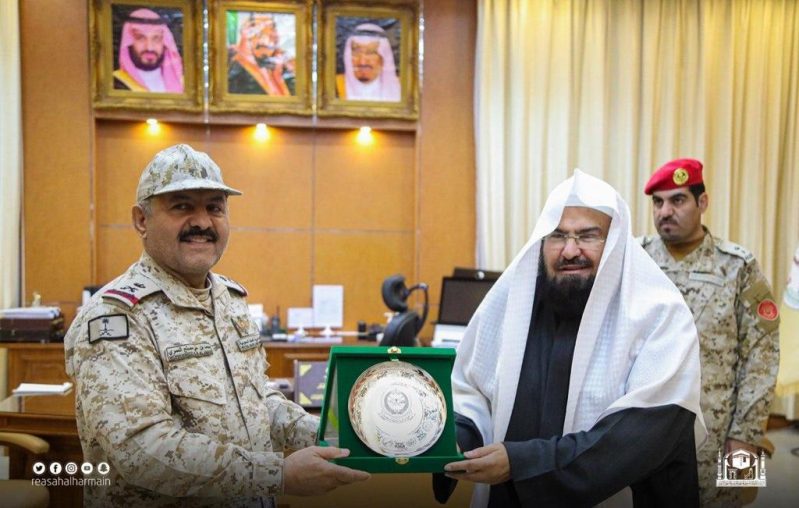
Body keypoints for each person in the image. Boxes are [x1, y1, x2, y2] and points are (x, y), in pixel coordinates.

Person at [64, 144, 369, 506]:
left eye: (214, 207)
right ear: (141, 220)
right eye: (182, 206)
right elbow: (141, 450)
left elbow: (257, 398)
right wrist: (277, 475)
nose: (203, 223)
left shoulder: (229, 299)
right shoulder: (116, 317)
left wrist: (330, 434)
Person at [438, 170, 706, 507]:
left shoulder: (659, 315)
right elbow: (471, 390)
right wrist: (461, 438)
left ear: (615, 244)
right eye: (557, 235)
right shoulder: (512, 306)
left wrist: (522, 462)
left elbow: (639, 435)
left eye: (588, 236)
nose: (569, 250)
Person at [639, 158, 780, 507]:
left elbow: (762, 353)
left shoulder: (738, 264)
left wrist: (747, 435)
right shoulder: (636, 260)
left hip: (724, 435)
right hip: (647, 432)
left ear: (702, 202)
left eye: (677, 200)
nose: (665, 212)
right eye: (658, 202)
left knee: (731, 501)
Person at [113, 8, 184, 93]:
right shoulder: (114, 83)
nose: (149, 47)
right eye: (140, 38)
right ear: (129, 42)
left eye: (156, 38)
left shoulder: (184, 83)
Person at [228, 13, 294, 96]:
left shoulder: (282, 64)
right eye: (260, 31)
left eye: (272, 28)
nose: (270, 35)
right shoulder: (235, 70)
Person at [336, 23, 401, 101]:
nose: (362, 62)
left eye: (371, 53)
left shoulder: (402, 87)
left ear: (384, 58)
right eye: (356, 53)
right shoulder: (335, 85)